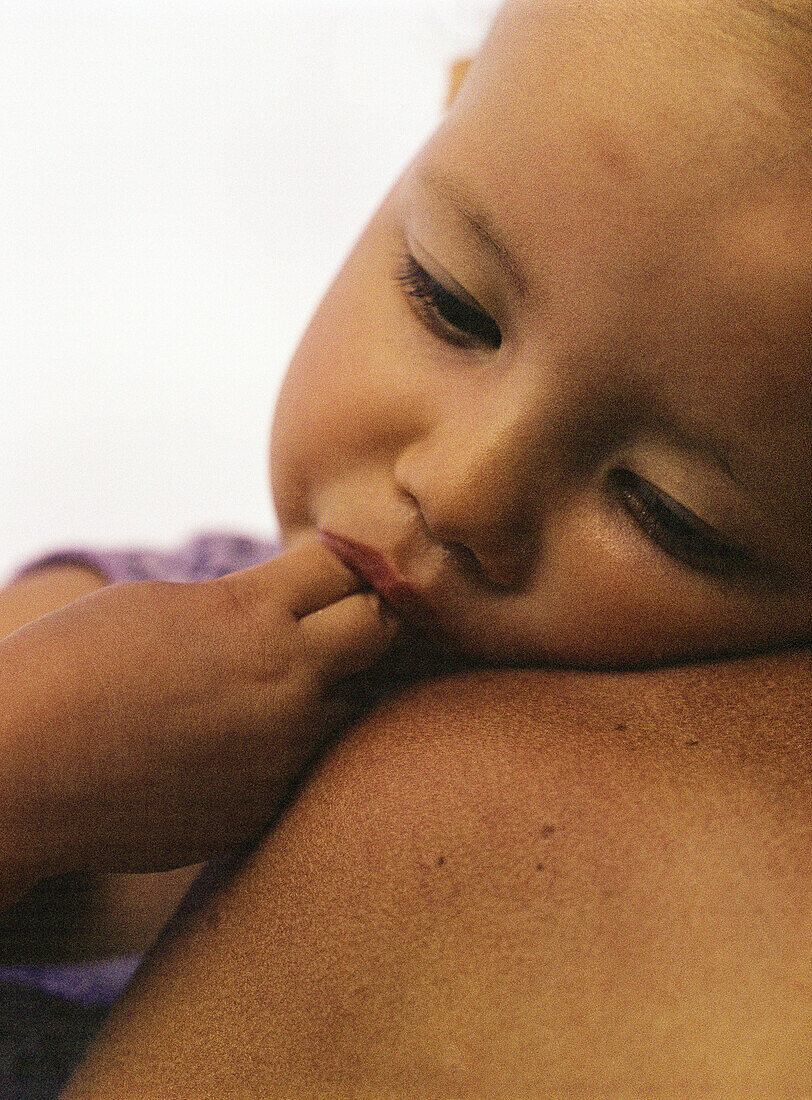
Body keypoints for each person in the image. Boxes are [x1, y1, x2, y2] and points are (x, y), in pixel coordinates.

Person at [0, 0, 809, 1093]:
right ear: (444, 109)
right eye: (449, 301)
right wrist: (35, 765)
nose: (457, 489)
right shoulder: (96, 636)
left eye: (666, 509)